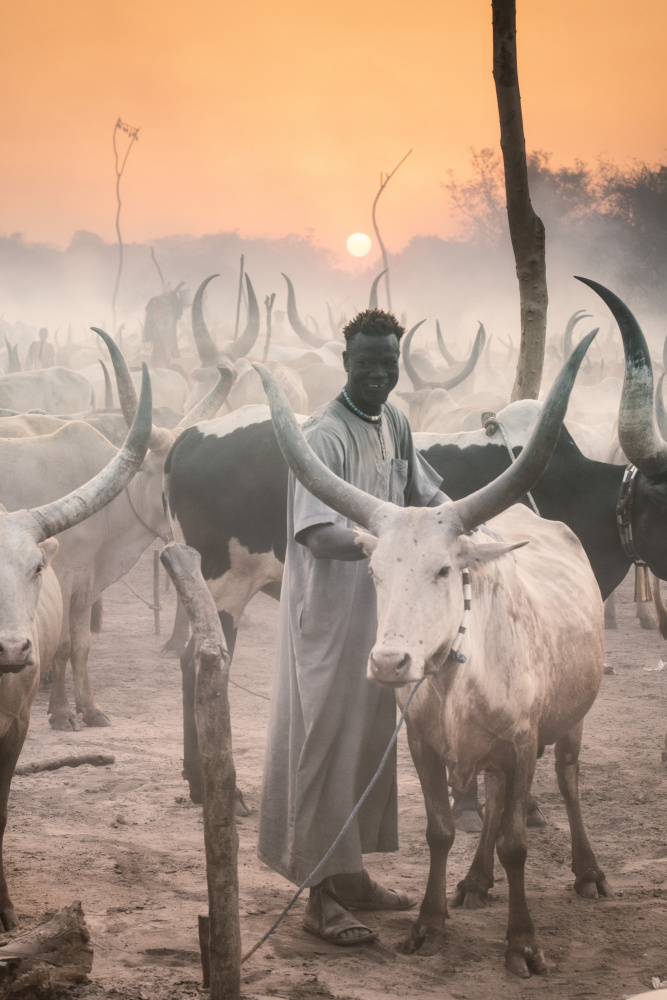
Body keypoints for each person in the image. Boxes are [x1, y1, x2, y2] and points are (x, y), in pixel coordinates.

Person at [258, 309, 448, 946]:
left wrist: (470, 523)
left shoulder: (394, 421)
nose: (377, 372)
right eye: (365, 360)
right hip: (331, 619)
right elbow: (314, 532)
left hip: (386, 620)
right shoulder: (323, 436)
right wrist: (376, 543)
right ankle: (319, 899)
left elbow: (425, 497)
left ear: (399, 362)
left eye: (388, 361)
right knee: (325, 745)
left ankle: (354, 874)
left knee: (371, 741)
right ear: (345, 362)